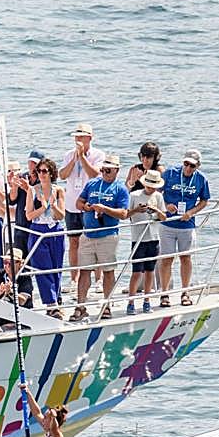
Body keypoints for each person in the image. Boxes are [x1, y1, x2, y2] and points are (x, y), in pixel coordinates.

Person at [74, 154, 130, 321]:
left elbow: (124, 213)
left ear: (116, 171)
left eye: (108, 170)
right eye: (103, 169)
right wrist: (87, 207)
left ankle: (107, 305)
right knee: (84, 271)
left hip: (107, 235)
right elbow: (78, 203)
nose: (104, 173)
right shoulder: (92, 183)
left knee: (108, 272)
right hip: (88, 234)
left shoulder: (120, 189)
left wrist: (105, 209)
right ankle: (80, 305)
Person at [158, 149, 211, 308]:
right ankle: (164, 293)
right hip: (167, 223)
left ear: (198, 166)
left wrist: (191, 212)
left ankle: (185, 292)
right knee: (166, 259)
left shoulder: (201, 179)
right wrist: (166, 205)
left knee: (185, 258)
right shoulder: (170, 173)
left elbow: (204, 200)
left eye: (192, 166)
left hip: (187, 225)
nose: (188, 168)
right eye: (186, 164)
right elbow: (156, 193)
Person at [58, 122, 106, 291]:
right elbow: (62, 175)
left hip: (89, 205)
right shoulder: (69, 155)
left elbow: (95, 174)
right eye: (76, 136)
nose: (78, 139)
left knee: (94, 242)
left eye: (81, 136)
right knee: (74, 242)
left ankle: (98, 279)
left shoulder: (99, 155)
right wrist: (74, 158)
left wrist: (83, 157)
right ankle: (74, 279)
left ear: (89, 138)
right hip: (71, 205)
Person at [24, 157, 66, 316]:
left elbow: (60, 215)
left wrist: (53, 204)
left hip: (55, 231)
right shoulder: (32, 190)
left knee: (56, 268)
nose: (41, 174)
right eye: (38, 171)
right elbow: (29, 215)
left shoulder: (59, 190)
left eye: (44, 171)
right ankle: (51, 303)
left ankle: (55, 300)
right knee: (42, 269)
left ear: (51, 173)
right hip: (38, 230)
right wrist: (43, 207)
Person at [124, 170, 167, 315]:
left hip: (153, 238)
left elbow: (163, 217)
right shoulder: (134, 195)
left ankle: (147, 300)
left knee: (150, 271)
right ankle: (131, 302)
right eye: (149, 185)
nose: (151, 188)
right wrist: (137, 210)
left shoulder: (159, 197)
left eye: (154, 186)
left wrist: (155, 209)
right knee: (136, 272)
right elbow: (126, 215)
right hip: (138, 238)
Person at [0, 248, 34, 315]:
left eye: (11, 263)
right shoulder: (1, 273)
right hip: (3, 312)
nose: (7, 265)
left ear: (20, 264)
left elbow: (22, 301)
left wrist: (10, 292)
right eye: (5, 262)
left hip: (22, 314)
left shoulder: (25, 276)